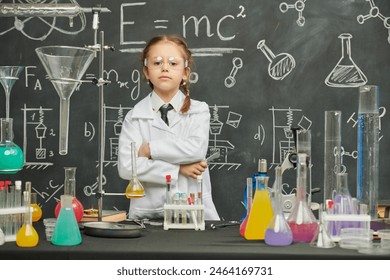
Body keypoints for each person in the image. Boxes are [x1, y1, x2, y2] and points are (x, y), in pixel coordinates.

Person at [118, 35, 220, 221]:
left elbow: (196, 149)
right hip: (147, 215)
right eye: (157, 62)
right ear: (147, 72)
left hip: (195, 213)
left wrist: (150, 149)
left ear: (185, 73)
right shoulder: (135, 116)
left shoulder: (199, 110)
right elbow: (127, 168)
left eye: (173, 63)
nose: (165, 67)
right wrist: (178, 168)